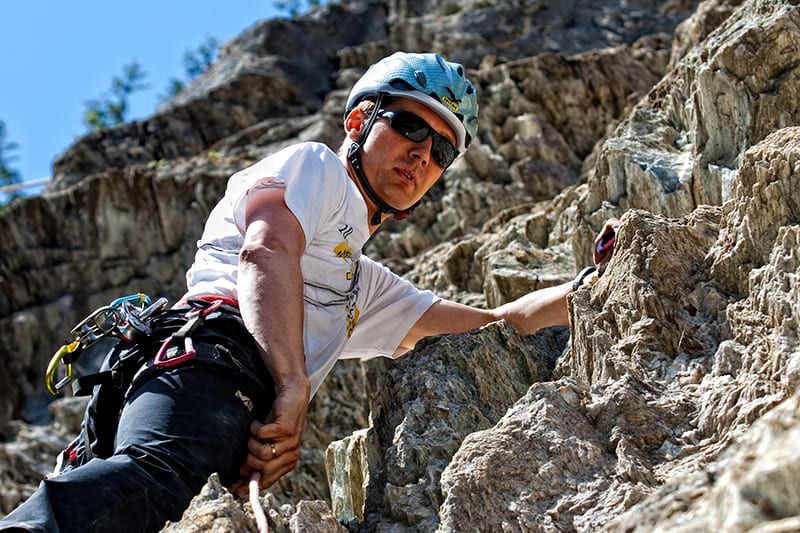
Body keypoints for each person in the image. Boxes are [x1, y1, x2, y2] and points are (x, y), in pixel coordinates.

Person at [0, 51, 609, 533]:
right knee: (158, 478)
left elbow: (492, 326)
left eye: (441, 150)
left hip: (216, 393)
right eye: (408, 125)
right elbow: (266, 250)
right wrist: (292, 388)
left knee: (145, 502)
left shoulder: (359, 286)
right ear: (358, 122)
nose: (422, 153)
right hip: (210, 360)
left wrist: (593, 282)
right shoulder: (315, 168)